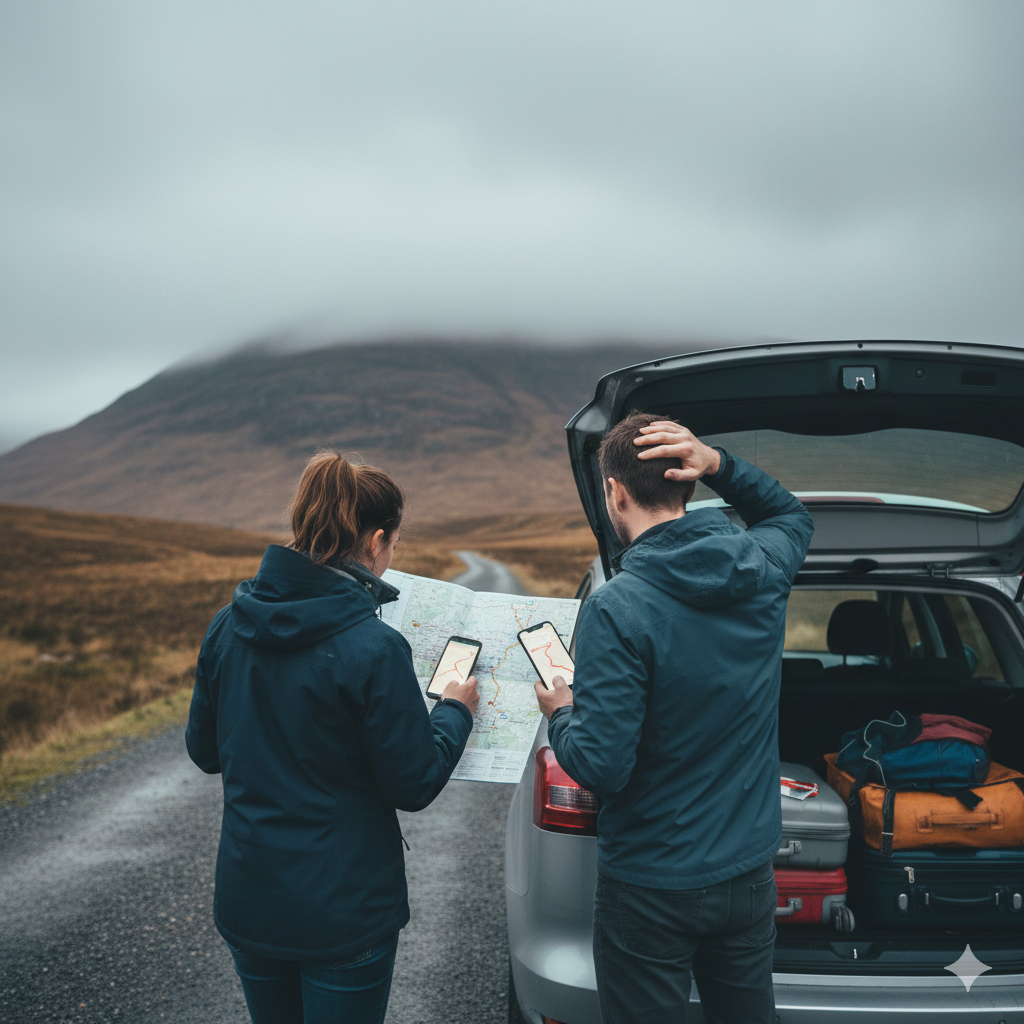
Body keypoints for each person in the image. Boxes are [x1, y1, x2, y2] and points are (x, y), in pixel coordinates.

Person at [535, 414, 814, 1024]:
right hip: (747, 875)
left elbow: (603, 764)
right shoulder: (762, 568)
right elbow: (792, 516)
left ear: (615, 492)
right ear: (686, 482)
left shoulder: (616, 606)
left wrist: (562, 714)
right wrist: (719, 463)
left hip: (651, 886)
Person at [185, 451, 479, 1024]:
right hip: (345, 914)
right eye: (392, 545)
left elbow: (204, 752)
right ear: (374, 542)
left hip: (250, 902)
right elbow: (415, 781)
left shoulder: (227, 624)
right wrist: (454, 711)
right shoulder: (374, 647)